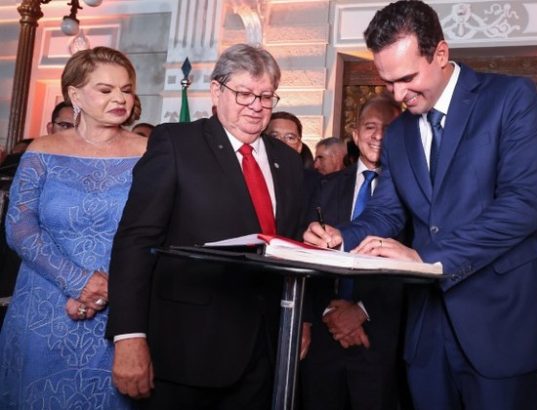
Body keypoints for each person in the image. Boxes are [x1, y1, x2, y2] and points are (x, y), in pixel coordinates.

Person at [305, 1, 537, 408]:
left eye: (407, 78)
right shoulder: (399, 132)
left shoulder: (511, 98)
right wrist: (341, 237)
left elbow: (524, 205)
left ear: (440, 53)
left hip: (500, 322)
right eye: (388, 82)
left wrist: (426, 258)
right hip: (426, 330)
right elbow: (387, 212)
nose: (398, 95)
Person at [105, 44, 307, 409]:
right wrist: (128, 335)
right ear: (216, 91)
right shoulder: (176, 144)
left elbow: (293, 243)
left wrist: (302, 319)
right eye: (244, 93)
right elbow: (136, 241)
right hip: (187, 351)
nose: (256, 105)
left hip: (266, 351)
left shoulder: (289, 162)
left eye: (265, 96)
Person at [0, 46, 146, 409]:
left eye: (126, 90)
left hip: (121, 309)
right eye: (106, 89)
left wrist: (106, 290)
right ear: (75, 95)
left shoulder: (149, 153)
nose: (119, 98)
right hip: (44, 307)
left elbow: (155, 230)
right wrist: (77, 281)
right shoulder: (42, 150)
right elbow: (19, 226)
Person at [300, 94, 404, 410]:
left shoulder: (415, 191)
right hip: (324, 334)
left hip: (381, 339)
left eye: (389, 128)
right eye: (370, 127)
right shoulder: (325, 186)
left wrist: (361, 311)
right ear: (355, 136)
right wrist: (327, 313)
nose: (379, 135)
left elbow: (420, 259)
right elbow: (305, 250)